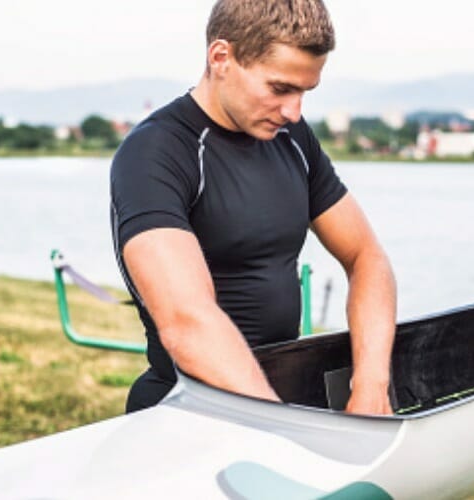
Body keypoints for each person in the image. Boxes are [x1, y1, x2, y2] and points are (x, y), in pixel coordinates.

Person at [109, 0, 396, 416]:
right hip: (187, 412)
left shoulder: (293, 139)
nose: (294, 111)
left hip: (285, 403)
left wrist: (370, 387)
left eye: (304, 92)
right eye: (280, 88)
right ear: (221, 57)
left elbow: (367, 257)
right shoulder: (155, 152)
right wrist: (279, 427)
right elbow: (187, 320)